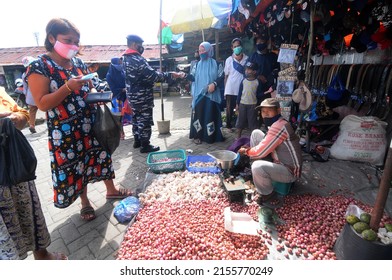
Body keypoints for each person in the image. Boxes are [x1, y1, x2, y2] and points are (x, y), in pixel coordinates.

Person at [25, 18, 131, 222]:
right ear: (51, 38)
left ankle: (111, 189)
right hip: (66, 131)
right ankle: (85, 202)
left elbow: (92, 84)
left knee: (102, 155)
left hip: (92, 124)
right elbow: (42, 104)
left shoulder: (78, 63)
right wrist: (67, 88)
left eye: (76, 41)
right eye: (68, 40)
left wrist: (99, 92)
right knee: (78, 166)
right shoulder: (40, 66)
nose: (73, 45)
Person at [0, 86, 67, 260]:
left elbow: (23, 114)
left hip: (16, 167)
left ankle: (42, 255)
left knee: (28, 209)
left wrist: (15, 119)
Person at [123, 34, 183, 153]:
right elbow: (153, 76)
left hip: (132, 97)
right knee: (144, 120)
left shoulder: (125, 58)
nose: (142, 47)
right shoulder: (137, 59)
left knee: (136, 118)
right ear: (135, 44)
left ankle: (137, 141)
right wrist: (171, 74)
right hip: (142, 97)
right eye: (140, 45)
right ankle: (145, 145)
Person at [238, 98, 302, 205]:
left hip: (289, 171)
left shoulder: (279, 126)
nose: (266, 114)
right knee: (256, 133)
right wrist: (249, 150)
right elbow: (265, 144)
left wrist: (246, 151)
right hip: (280, 162)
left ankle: (267, 194)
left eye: (269, 111)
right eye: (263, 111)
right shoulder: (279, 123)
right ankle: (258, 176)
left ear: (278, 111)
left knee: (257, 167)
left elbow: (260, 152)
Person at [184, 41, 225, 145]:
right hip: (199, 95)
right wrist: (183, 75)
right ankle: (197, 136)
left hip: (212, 95)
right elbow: (192, 77)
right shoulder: (197, 65)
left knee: (210, 115)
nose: (202, 52)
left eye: (204, 50)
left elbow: (221, 76)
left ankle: (211, 137)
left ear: (209, 50)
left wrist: (214, 84)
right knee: (199, 115)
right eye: (200, 50)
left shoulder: (216, 63)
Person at [223, 38, 248, 131]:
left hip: (242, 88)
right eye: (235, 46)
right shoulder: (229, 60)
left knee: (242, 108)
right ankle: (229, 125)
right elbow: (226, 76)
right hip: (230, 88)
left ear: (241, 47)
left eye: (238, 46)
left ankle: (241, 125)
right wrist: (225, 91)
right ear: (232, 48)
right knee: (230, 109)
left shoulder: (247, 59)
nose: (237, 48)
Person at [235, 62, 265, 139]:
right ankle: (238, 137)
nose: (246, 71)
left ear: (254, 72)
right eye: (246, 69)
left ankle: (253, 138)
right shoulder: (243, 81)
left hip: (253, 105)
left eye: (249, 70)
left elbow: (258, 94)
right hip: (242, 104)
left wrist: (266, 93)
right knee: (240, 121)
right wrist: (237, 104)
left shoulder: (257, 82)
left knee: (253, 122)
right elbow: (239, 93)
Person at [106, 57, 130, 140]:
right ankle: (121, 133)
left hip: (126, 97)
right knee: (118, 117)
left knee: (130, 114)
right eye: (118, 63)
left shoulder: (123, 72)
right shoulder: (109, 75)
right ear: (113, 64)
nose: (120, 65)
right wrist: (122, 89)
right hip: (117, 98)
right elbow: (113, 88)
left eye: (121, 63)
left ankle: (135, 131)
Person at [22, 56, 39, 134]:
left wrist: (26, 96)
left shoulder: (24, 74)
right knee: (48, 109)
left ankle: (32, 125)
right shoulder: (39, 71)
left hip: (31, 95)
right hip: (40, 93)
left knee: (32, 111)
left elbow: (25, 87)